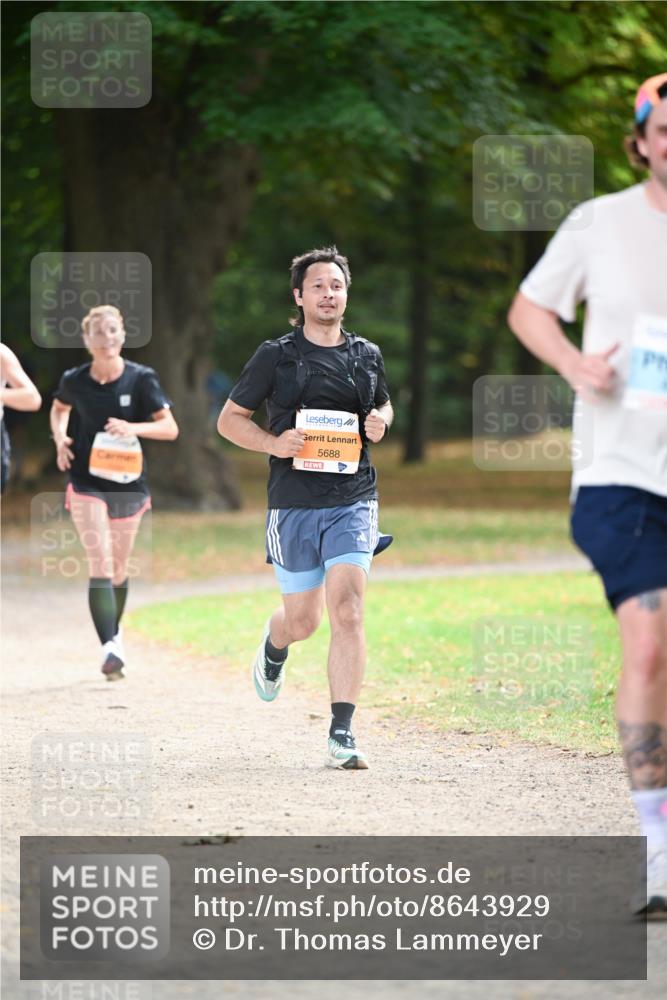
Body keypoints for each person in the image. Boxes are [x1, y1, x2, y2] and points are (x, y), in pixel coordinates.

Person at [507, 72, 667, 915]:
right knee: (648, 643)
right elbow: (529, 309)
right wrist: (573, 362)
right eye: (665, 130)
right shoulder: (598, 223)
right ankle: (656, 848)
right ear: (641, 141)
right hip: (619, 476)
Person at [218, 246, 394, 769]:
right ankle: (275, 646)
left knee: (349, 608)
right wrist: (274, 445)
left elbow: (382, 402)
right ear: (299, 296)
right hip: (293, 504)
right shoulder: (276, 355)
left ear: (346, 293)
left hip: (353, 499)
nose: (328, 294)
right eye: (317, 286)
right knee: (304, 621)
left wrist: (382, 420)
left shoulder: (366, 354)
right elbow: (229, 420)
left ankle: (342, 733)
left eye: (336, 286)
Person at [50, 305, 178, 680]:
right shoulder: (75, 379)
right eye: (98, 333)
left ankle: (114, 635)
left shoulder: (141, 379)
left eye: (112, 331)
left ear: (122, 335)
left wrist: (133, 427)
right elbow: (58, 408)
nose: (107, 339)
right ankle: (109, 647)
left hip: (129, 483)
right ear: (87, 340)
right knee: (100, 561)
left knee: (119, 568)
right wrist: (60, 438)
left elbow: (170, 428)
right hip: (86, 481)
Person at [0, 343, 42, 492]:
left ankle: (19, 469)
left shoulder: (2, 353)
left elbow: (32, 398)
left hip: (10, 414)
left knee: (18, 435)